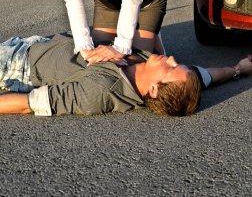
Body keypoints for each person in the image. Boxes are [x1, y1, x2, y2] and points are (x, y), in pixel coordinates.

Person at [0, 34, 251, 117]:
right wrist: (239, 69)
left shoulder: (102, 91)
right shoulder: (180, 79)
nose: (172, 59)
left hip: (16, 64)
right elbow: (208, 76)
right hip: (38, 41)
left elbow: (30, 104)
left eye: (172, 68)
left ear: (154, 89)